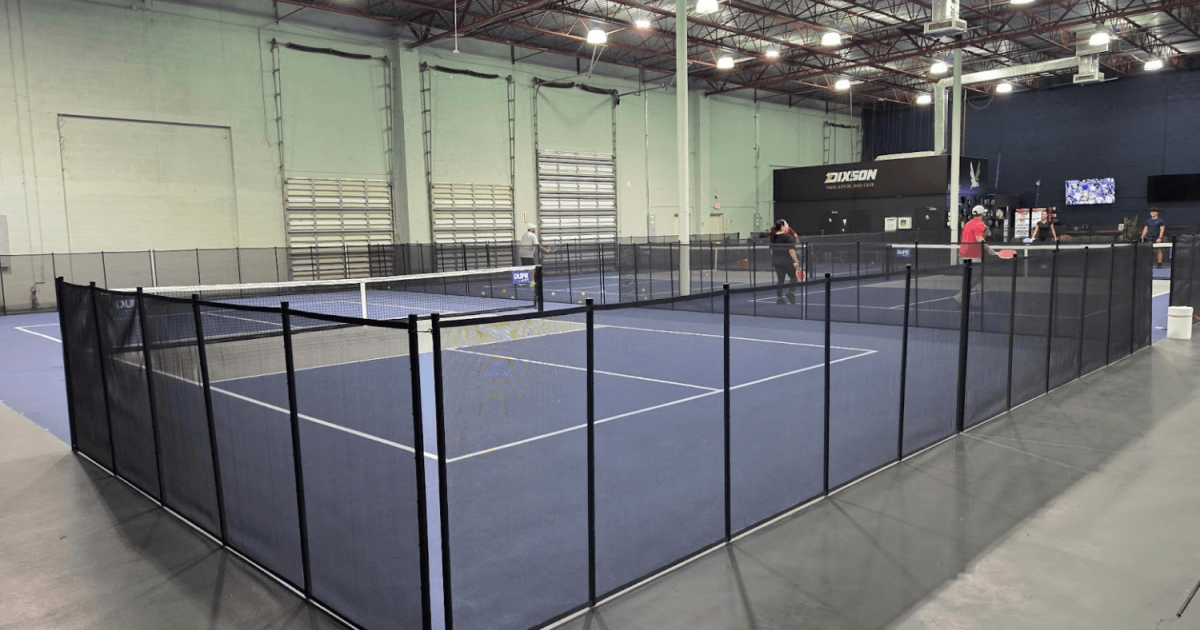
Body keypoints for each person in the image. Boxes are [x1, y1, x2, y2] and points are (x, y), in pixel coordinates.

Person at [954, 205, 996, 304]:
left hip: (962, 253)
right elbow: (979, 239)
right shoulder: (980, 224)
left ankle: (964, 296)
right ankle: (961, 295)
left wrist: (986, 230)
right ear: (982, 214)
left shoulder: (967, 224)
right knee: (977, 276)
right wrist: (989, 249)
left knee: (969, 276)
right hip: (973, 254)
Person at [768, 219, 801, 304]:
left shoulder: (773, 237)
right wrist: (796, 261)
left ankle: (779, 298)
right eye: (786, 225)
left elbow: (771, 250)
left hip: (776, 261)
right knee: (794, 277)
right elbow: (791, 251)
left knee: (780, 280)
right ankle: (791, 293)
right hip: (786, 261)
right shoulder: (788, 238)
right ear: (782, 226)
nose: (787, 226)